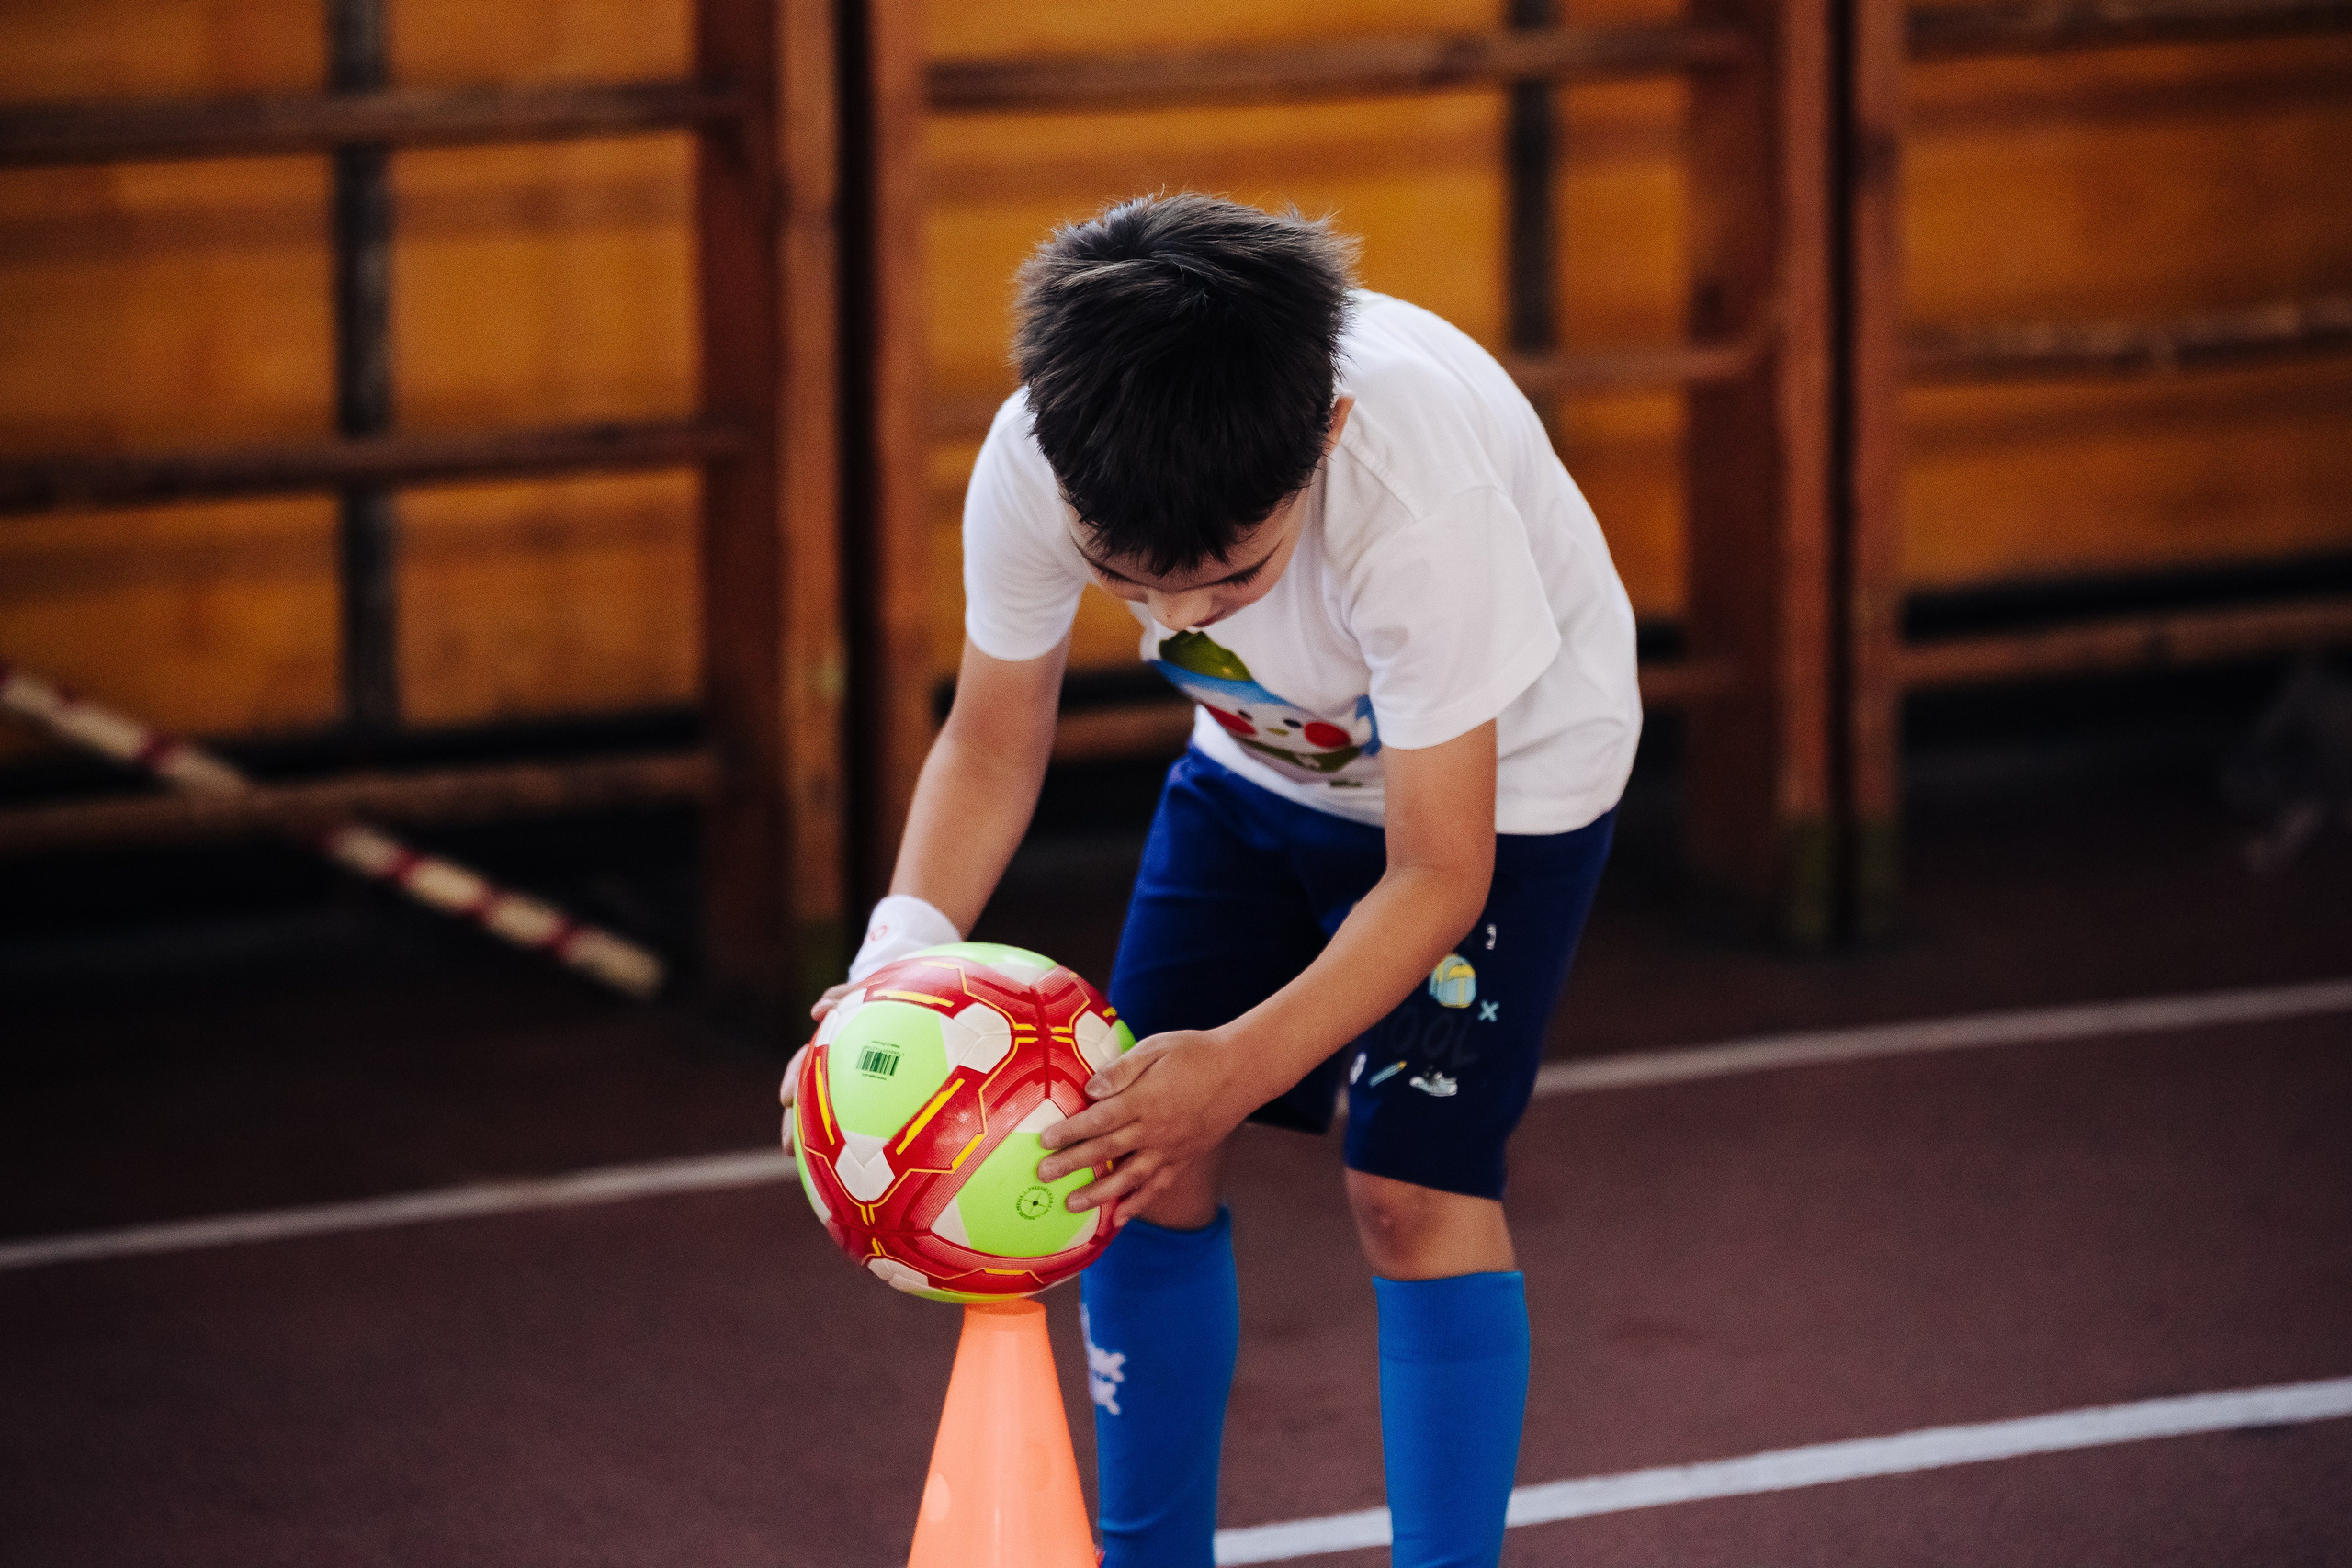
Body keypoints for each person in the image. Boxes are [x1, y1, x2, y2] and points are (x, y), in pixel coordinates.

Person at [786, 193, 1638, 1568]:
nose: (1177, 618)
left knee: (1409, 1190)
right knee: (1126, 1162)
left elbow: (1436, 870)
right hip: (1260, 767)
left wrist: (1230, 1071)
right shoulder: (1036, 455)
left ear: (1329, 441)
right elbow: (992, 743)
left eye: (1231, 576)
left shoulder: (1419, 493)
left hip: (1508, 790)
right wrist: (888, 978)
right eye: (1136, 583)